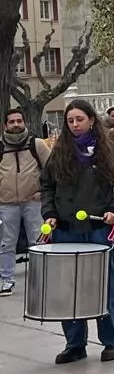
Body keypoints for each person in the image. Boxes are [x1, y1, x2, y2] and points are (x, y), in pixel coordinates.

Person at [42, 100, 114, 364]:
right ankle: (75, 343)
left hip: (98, 230)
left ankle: (112, 342)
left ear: (91, 120)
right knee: (68, 289)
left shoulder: (107, 149)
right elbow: (47, 185)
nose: (74, 125)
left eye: (79, 119)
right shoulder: (60, 150)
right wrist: (49, 213)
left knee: (106, 286)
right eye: (70, 121)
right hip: (66, 231)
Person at [0, 108, 49, 297]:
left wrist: (43, 192)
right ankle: (6, 281)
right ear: (5, 125)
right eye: (11, 122)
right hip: (6, 204)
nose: (16, 125)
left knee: (38, 241)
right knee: (6, 243)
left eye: (19, 121)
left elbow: (52, 170)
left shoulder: (37, 145)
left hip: (33, 202)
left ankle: (42, 279)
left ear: (25, 123)